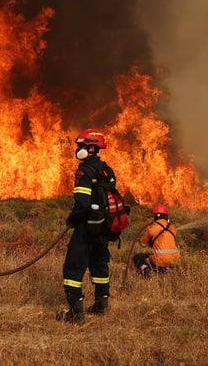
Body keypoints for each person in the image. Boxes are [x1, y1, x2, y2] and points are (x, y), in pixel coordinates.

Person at [59, 128, 118, 324]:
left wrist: (73, 219)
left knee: (73, 267)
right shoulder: (106, 170)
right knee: (99, 263)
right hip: (103, 226)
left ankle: (76, 314)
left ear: (92, 147)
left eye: (82, 145)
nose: (79, 149)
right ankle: (101, 306)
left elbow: (82, 204)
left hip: (86, 226)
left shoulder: (84, 171)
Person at [132, 204, 179, 278]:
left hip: (159, 261)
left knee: (137, 257)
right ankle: (166, 270)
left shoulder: (151, 228)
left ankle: (147, 273)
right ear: (166, 216)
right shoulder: (172, 227)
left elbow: (143, 244)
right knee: (155, 258)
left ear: (155, 216)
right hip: (174, 260)